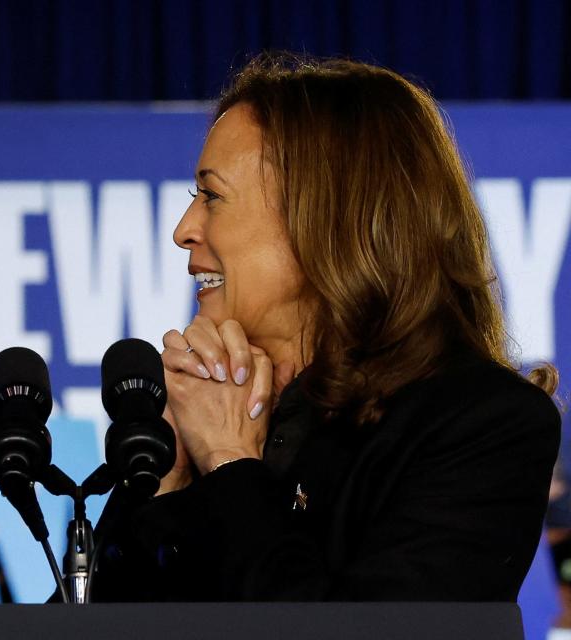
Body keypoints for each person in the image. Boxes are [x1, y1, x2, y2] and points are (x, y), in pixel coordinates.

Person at [92, 54, 561, 602]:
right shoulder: (199, 420)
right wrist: (160, 485)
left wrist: (228, 463)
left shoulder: (481, 425)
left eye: (212, 196)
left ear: (321, 216)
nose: (184, 230)